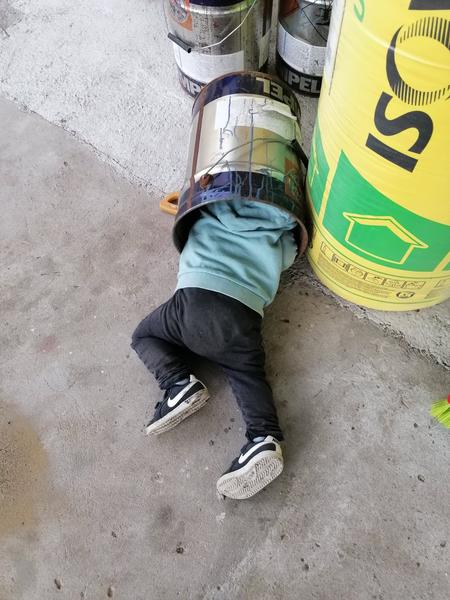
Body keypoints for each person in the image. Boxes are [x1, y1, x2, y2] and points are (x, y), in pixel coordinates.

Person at [131, 198, 298, 499]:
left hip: (193, 301)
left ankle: (177, 384)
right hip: (243, 316)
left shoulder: (209, 206)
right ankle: (263, 438)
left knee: (144, 336)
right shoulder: (283, 227)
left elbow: (186, 227)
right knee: (248, 375)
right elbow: (289, 257)